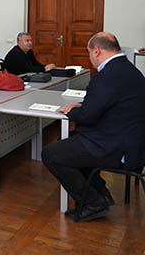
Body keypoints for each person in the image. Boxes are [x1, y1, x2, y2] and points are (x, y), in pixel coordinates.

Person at [42, 32, 145, 222]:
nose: (90, 57)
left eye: (89, 53)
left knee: (51, 154)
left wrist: (70, 112)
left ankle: (93, 202)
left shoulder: (106, 76)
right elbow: (109, 103)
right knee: (68, 140)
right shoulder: (129, 70)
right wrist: (82, 106)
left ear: (96, 51)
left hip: (116, 146)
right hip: (132, 141)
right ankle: (101, 194)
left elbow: (87, 116)